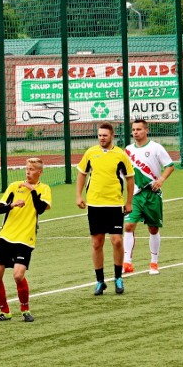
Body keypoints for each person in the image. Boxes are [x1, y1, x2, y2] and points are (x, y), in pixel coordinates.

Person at [76, 122, 135, 296]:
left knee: (116, 240)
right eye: (100, 135)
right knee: (96, 243)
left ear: (112, 136)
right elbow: (82, 173)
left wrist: (129, 202)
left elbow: (130, 179)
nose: (102, 138)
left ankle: (118, 277)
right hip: (94, 205)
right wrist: (79, 195)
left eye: (105, 135)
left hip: (115, 205)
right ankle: (100, 281)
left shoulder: (120, 155)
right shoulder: (90, 153)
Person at [0, 158, 51, 323]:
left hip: (25, 239)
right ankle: (5, 312)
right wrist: (12, 205)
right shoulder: (14, 186)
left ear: (40, 172)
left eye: (32, 169)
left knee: (18, 275)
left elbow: (40, 209)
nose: (28, 172)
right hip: (6, 236)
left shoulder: (44, 189)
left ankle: (25, 310)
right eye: (27, 168)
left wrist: (32, 190)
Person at [123, 119, 175, 275]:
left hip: (152, 195)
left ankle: (154, 262)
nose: (135, 132)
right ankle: (127, 262)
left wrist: (161, 180)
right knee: (129, 226)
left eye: (139, 129)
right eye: (133, 129)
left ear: (146, 130)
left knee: (153, 229)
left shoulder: (156, 148)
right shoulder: (127, 150)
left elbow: (170, 166)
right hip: (136, 195)